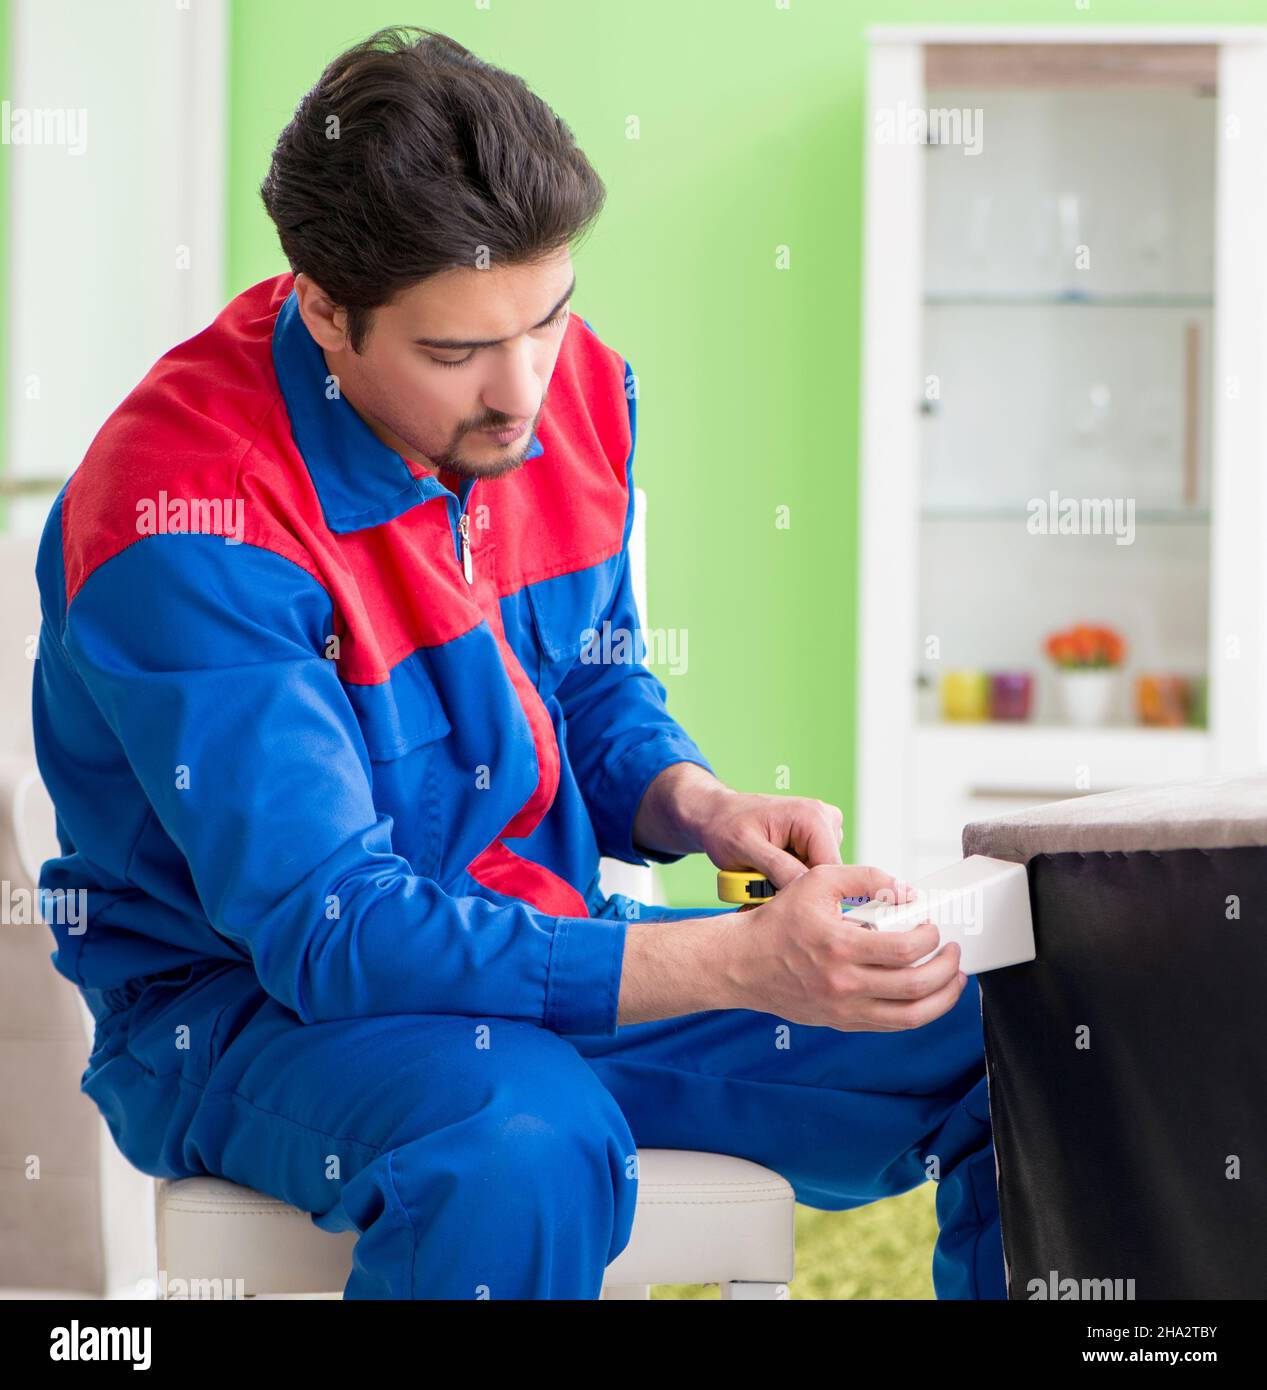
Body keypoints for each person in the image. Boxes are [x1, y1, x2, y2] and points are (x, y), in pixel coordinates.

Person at [32, 26, 1005, 1299]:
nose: (523, 393)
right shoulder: (186, 521)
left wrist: (696, 802)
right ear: (324, 307)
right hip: (248, 1013)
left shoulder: (571, 391)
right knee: (519, 1145)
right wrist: (734, 963)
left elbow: (593, 688)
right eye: (455, 354)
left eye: (546, 318)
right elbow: (335, 932)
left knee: (1015, 1045)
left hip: (535, 945)